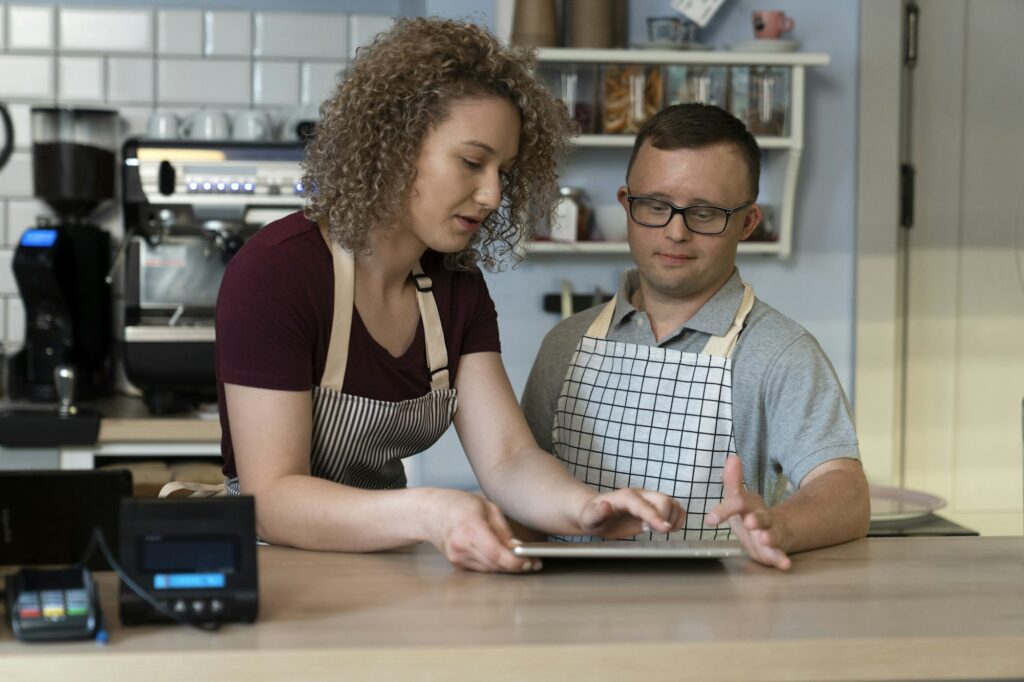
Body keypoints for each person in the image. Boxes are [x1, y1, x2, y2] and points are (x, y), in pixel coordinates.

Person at [215, 18, 685, 574]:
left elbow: (508, 459)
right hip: (274, 576)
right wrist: (429, 512)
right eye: (471, 162)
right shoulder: (278, 272)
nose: (491, 195)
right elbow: (272, 502)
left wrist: (585, 508)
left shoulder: (455, 286)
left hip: (383, 569)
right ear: (395, 145)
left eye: (503, 172)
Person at [521, 103, 870, 570]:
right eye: (656, 206)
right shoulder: (565, 343)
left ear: (748, 222)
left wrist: (781, 525)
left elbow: (845, 493)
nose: (676, 231)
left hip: (717, 623)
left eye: (705, 212)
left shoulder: (781, 353)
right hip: (572, 618)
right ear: (627, 205)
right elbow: (519, 489)